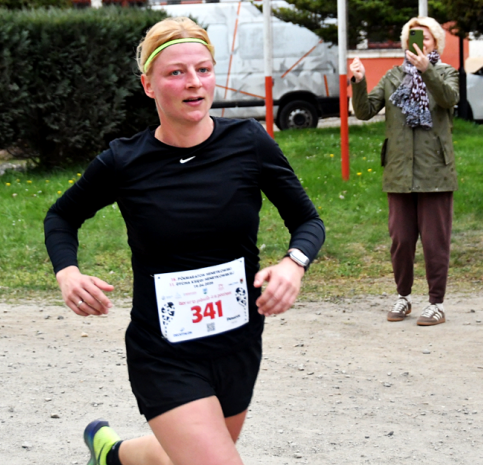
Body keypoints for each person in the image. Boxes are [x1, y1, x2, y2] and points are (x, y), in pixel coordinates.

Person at [44, 16, 325, 465]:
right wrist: (68, 271)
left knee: (180, 455)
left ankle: (113, 456)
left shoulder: (248, 142)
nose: (194, 83)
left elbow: (309, 222)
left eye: (204, 69)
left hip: (237, 342)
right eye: (176, 72)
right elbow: (61, 217)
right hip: (163, 351)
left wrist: (294, 263)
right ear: (149, 85)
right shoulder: (124, 161)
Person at [349, 16, 459, 326]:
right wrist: (358, 82)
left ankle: (436, 302)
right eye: (413, 37)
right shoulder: (393, 76)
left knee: (436, 242)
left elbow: (449, 98)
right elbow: (365, 111)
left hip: (435, 172)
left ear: (436, 43)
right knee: (400, 240)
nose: (420, 43)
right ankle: (403, 297)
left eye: (426, 38)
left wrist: (428, 72)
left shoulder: (447, 73)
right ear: (404, 42)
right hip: (398, 173)